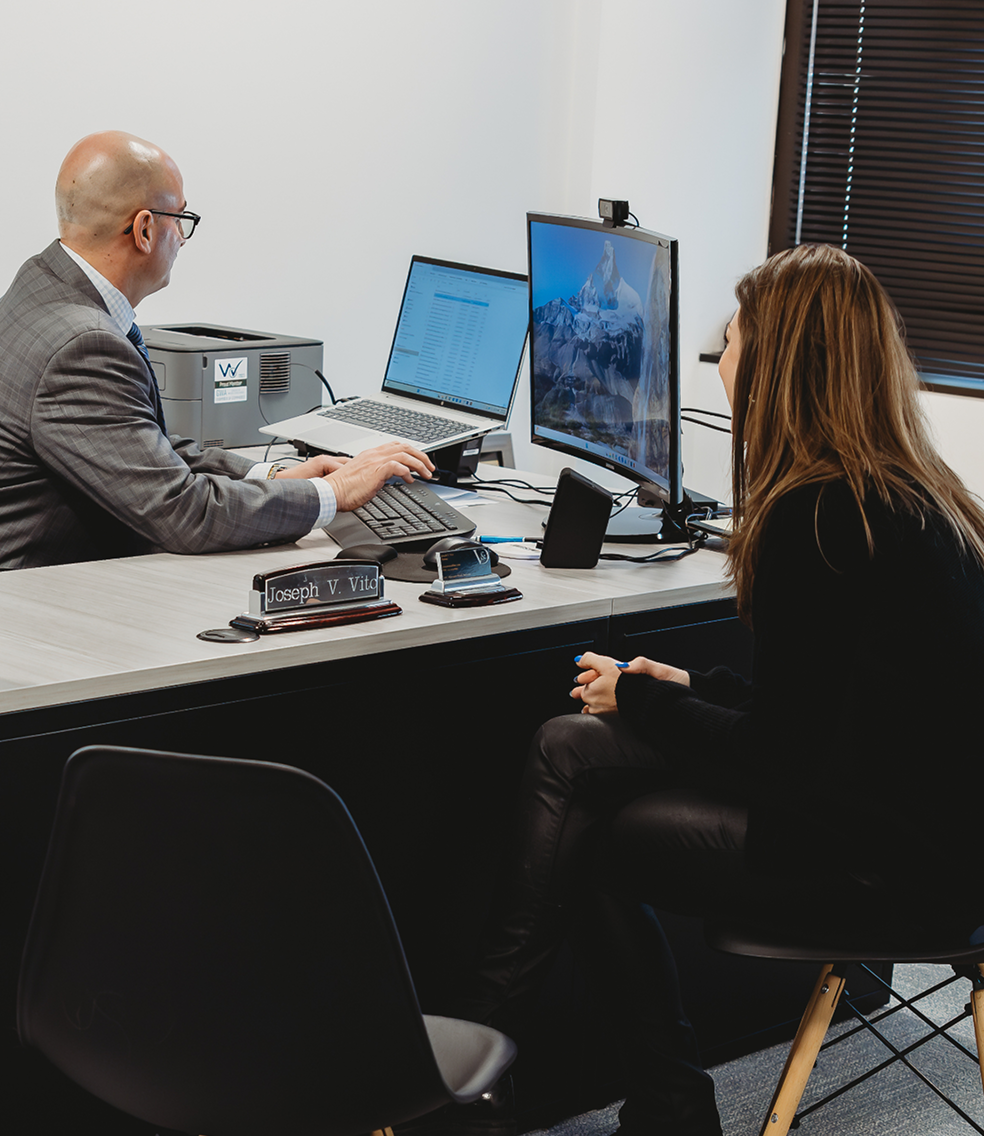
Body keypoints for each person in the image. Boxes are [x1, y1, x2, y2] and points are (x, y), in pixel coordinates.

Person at [427, 244, 984, 1136]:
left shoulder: (820, 516)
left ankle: (497, 1073)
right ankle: (628, 1097)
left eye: (730, 341)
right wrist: (688, 683)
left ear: (774, 367)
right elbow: (838, 712)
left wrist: (644, 702)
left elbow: (786, 759)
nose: (720, 361)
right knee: (574, 758)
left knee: (579, 800)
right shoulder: (918, 497)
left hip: (884, 871)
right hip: (943, 848)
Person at [0, 130, 434, 569]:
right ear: (145, 230)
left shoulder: (36, 292)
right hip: (39, 605)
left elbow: (144, 448)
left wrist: (271, 476)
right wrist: (335, 493)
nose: (183, 240)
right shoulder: (83, 346)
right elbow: (185, 514)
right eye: (181, 220)